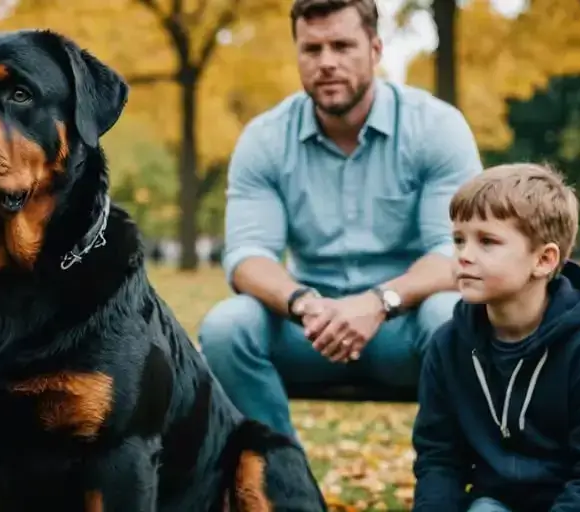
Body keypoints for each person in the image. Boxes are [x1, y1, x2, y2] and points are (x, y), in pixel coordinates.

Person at [197, 0, 483, 439]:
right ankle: (280, 487)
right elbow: (248, 255)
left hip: (403, 325)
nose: (326, 62)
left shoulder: (436, 128)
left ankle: (452, 480)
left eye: (342, 46)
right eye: (312, 50)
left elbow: (456, 254)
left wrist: (377, 302)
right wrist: (304, 304)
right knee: (225, 327)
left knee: (454, 315)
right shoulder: (265, 138)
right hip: (308, 328)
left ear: (375, 49)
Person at [412, 163, 580, 511]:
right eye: (459, 239)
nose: (464, 255)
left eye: (487, 241)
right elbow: (439, 460)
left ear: (544, 260)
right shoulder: (448, 346)